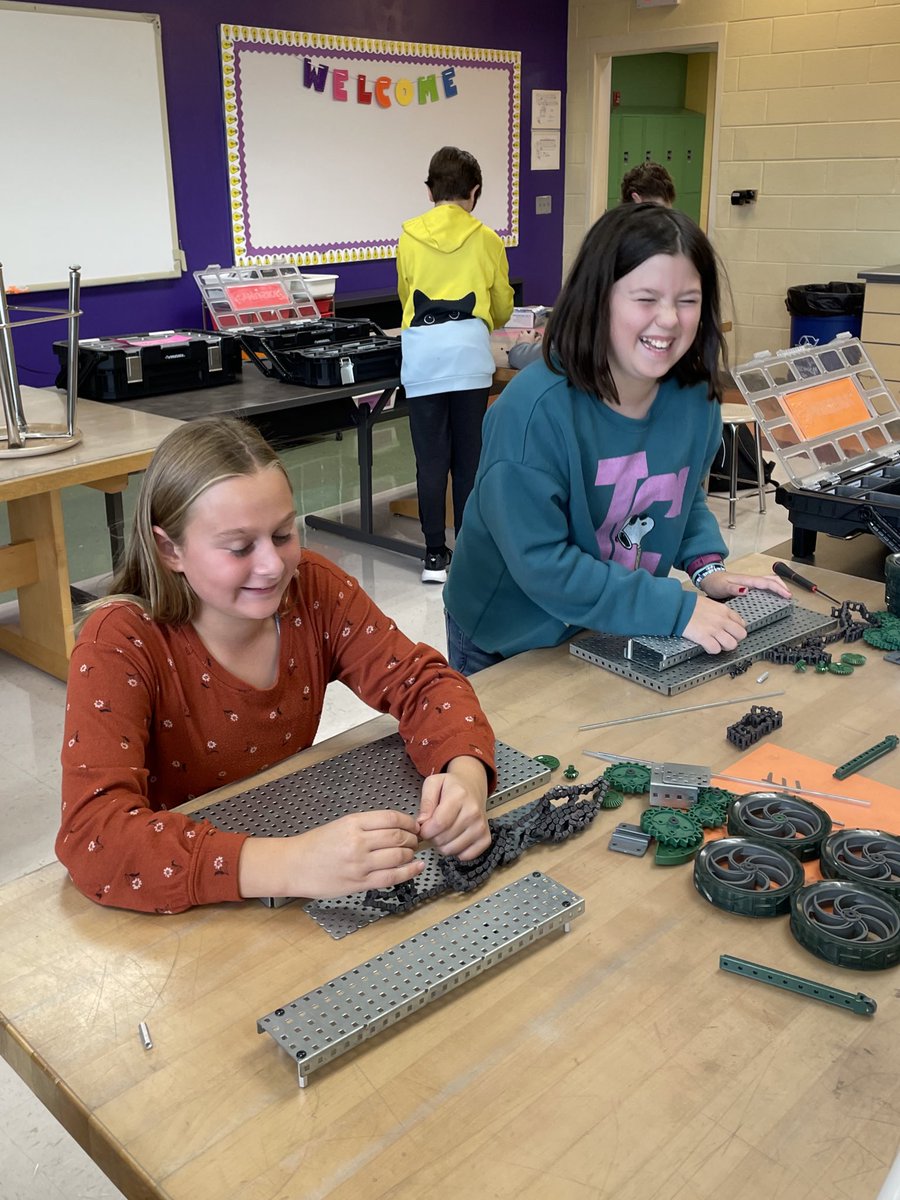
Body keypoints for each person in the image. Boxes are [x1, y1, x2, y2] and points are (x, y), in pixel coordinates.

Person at [57, 417, 496, 914]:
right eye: (240, 547)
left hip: (284, 864)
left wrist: (465, 776)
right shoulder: (120, 641)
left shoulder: (312, 589)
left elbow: (423, 684)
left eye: (283, 534)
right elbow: (93, 835)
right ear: (169, 549)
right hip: (181, 903)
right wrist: (291, 862)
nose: (271, 565)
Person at [443, 203, 791, 676]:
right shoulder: (532, 413)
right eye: (646, 298)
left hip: (604, 622)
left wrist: (707, 567)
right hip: (508, 635)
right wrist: (672, 609)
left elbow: (679, 497)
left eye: (688, 299)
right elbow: (543, 564)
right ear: (597, 299)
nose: (668, 319)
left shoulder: (694, 398)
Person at [397, 145, 514, 584]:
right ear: (475, 192)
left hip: (422, 354)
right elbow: (501, 303)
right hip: (469, 353)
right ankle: (466, 549)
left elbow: (407, 294)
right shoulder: (487, 239)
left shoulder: (408, 235)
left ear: (430, 192)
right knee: (468, 458)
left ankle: (432, 556)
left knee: (430, 460)